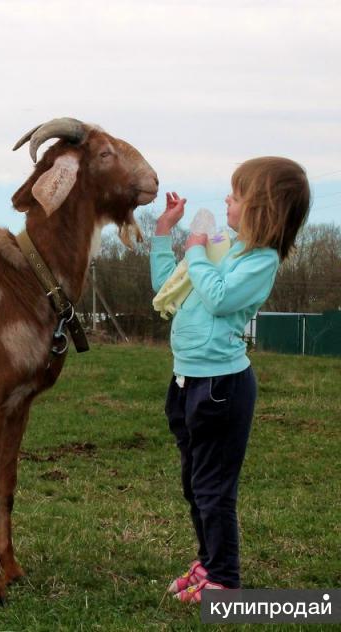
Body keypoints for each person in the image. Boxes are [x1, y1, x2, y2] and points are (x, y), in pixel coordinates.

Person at [150, 157, 311, 603]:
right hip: (186, 381)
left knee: (213, 488)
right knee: (193, 484)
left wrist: (198, 248)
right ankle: (207, 563)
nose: (226, 199)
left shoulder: (259, 260)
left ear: (262, 209)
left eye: (236, 195)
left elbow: (219, 298)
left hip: (222, 387)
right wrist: (167, 233)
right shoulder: (225, 247)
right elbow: (171, 284)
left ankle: (225, 581)